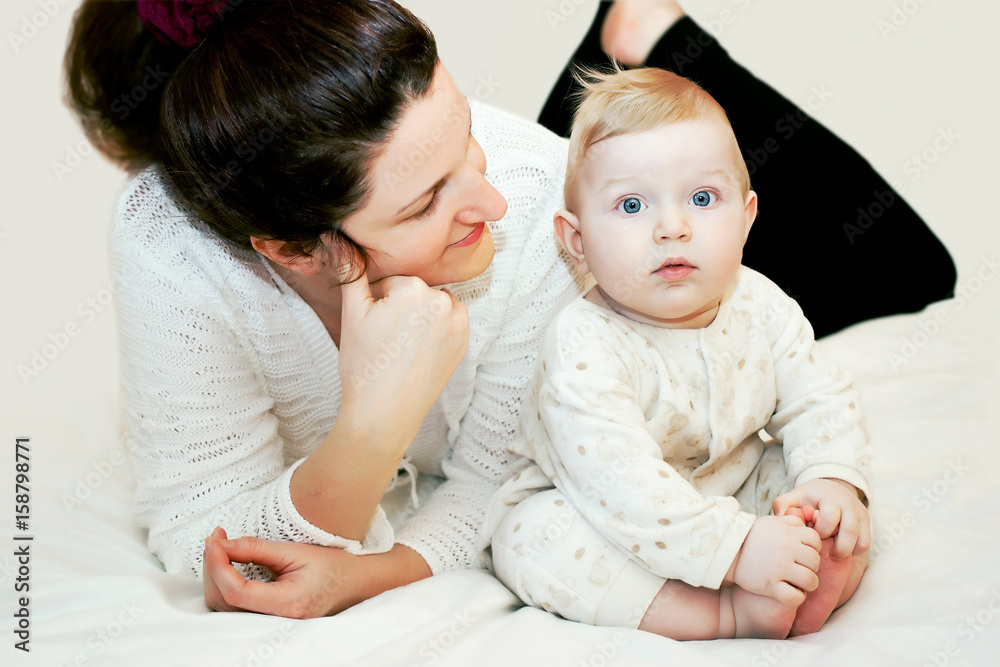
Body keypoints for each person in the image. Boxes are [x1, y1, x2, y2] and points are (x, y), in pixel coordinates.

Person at [62, 0, 942, 619]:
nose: (489, 200)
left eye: (463, 132)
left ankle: (648, 37)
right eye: (422, 201)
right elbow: (201, 527)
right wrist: (369, 431)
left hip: (601, 260)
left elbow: (498, 481)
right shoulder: (170, 244)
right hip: (556, 235)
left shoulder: (524, 202)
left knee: (903, 272)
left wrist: (365, 572)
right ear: (293, 247)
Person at [483, 66, 872, 639]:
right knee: (532, 538)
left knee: (806, 480)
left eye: (702, 197)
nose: (673, 227)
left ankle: (820, 566)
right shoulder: (583, 342)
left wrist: (830, 485)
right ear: (577, 241)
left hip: (727, 484)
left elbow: (819, 397)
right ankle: (723, 613)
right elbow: (622, 483)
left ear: (746, 217)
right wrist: (738, 549)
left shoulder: (762, 304)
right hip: (603, 510)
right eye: (633, 206)